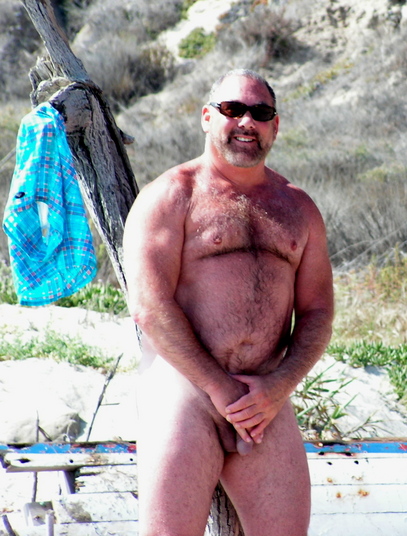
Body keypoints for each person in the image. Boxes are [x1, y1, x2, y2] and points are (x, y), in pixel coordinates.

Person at [122, 69, 334, 536]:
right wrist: (217, 387)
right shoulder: (172, 196)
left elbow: (318, 312)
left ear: (275, 125)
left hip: (265, 401)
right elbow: (150, 306)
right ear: (206, 117)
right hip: (185, 392)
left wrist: (278, 387)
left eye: (260, 112)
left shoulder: (299, 209)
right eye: (232, 109)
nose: (246, 122)